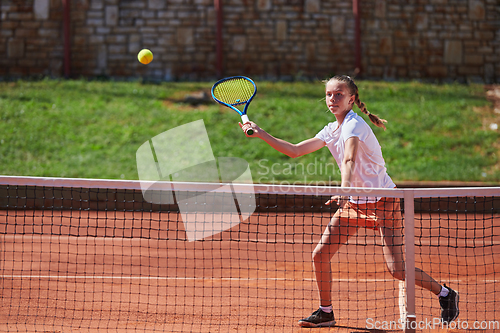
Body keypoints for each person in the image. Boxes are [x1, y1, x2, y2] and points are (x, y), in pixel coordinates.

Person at [239, 75, 459, 328]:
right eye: (329, 94)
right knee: (320, 255)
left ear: (351, 99)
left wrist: (343, 191)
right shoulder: (332, 129)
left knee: (397, 269)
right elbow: (295, 150)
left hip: (383, 202)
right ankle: (326, 312)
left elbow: (349, 160)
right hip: (354, 204)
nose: (332, 99)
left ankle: (445, 294)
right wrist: (261, 133)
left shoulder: (354, 126)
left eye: (339, 94)